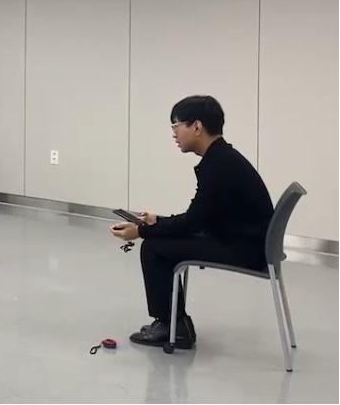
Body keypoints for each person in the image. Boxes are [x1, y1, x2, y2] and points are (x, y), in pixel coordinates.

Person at [112, 95, 274, 350]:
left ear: (197, 127)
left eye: (176, 126)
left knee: (153, 247)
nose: (173, 134)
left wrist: (142, 231)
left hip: (242, 249)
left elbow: (194, 222)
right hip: (242, 240)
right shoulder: (223, 158)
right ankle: (177, 325)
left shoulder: (219, 165)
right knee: (160, 239)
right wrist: (158, 222)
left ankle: (170, 326)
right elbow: (200, 216)